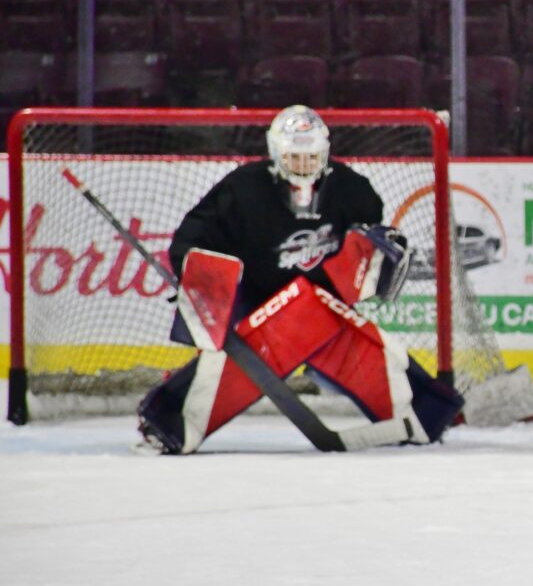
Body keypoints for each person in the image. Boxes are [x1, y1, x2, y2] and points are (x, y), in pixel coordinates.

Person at [137, 105, 463, 455]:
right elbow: (190, 242)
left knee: (361, 344)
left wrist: (378, 255)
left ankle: (425, 409)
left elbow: (368, 245)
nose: (304, 165)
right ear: (276, 154)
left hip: (320, 307)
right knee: (226, 363)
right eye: (295, 157)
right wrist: (200, 278)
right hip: (255, 301)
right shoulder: (243, 189)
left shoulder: (353, 190)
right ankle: (171, 418)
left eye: (312, 157)